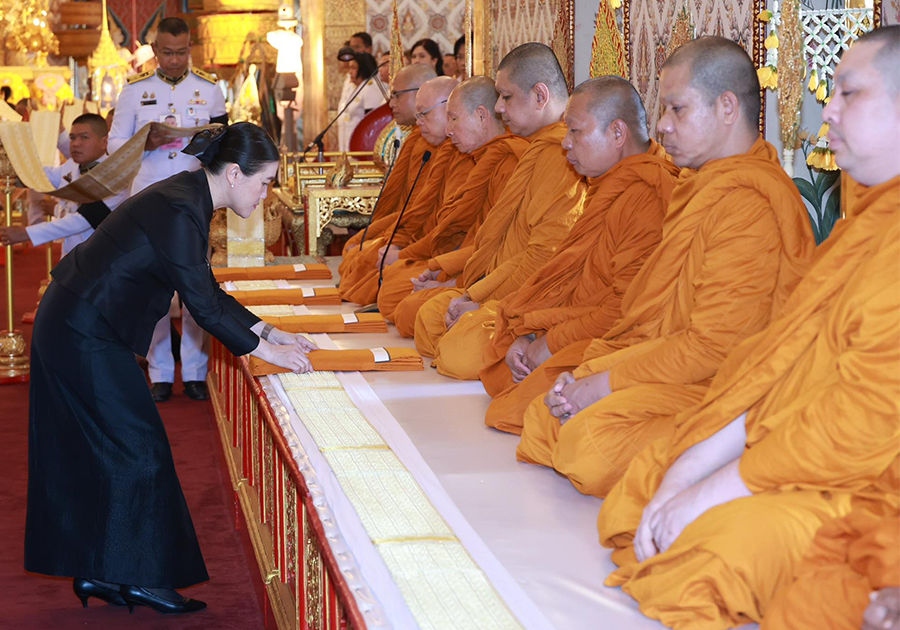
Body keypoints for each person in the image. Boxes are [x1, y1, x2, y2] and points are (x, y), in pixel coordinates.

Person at [593, 26, 899, 629]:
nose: (826, 112)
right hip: (790, 440)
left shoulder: (758, 202)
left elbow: (860, 423)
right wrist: (690, 472)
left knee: (705, 553)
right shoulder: (863, 225)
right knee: (645, 487)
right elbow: (778, 365)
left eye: (848, 94)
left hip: (867, 483)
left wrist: (717, 488)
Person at [25, 122, 317, 615]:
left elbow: (206, 289)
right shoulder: (182, 205)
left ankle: (103, 570)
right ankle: (141, 576)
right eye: (265, 182)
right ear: (232, 174)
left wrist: (268, 333)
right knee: (139, 447)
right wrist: (263, 353)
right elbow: (201, 303)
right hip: (80, 329)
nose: (267, 194)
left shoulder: (189, 198)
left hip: (86, 322)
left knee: (109, 448)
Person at [513, 37, 814, 498]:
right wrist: (597, 375)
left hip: (729, 390)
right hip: (678, 369)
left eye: (677, 110)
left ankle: (732, 460)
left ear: (727, 107)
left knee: (588, 443)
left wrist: (604, 384)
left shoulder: (748, 202)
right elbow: (655, 325)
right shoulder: (703, 186)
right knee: (547, 409)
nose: (661, 126)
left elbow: (715, 350)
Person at [476, 76, 679, 432]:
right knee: (501, 374)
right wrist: (532, 334)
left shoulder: (647, 194)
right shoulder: (608, 186)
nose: (565, 144)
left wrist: (550, 342)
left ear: (618, 133)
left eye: (576, 132)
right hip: (581, 327)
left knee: (520, 414)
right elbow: (568, 280)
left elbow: (626, 310)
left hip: (618, 339)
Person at [411, 42, 586, 366]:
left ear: (540, 95)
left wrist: (476, 297)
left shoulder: (559, 154)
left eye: (506, 97)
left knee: (458, 350)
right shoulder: (532, 149)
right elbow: (498, 239)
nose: (499, 108)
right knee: (428, 318)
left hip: (534, 297)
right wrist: (466, 288)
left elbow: (543, 256)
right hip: (499, 283)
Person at [108, 17, 227, 403]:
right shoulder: (134, 92)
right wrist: (146, 143)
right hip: (149, 198)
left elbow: (224, 144)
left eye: (181, 52)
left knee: (196, 288)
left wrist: (208, 143)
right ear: (155, 50)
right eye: (167, 53)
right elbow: (113, 146)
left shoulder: (208, 90)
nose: (175, 60)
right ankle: (159, 371)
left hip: (194, 199)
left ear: (190, 49)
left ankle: (194, 372)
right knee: (154, 288)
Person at [375, 76, 530, 322]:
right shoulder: (478, 157)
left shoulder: (512, 162)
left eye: (454, 118)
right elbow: (440, 218)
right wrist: (439, 269)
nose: (449, 130)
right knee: (392, 292)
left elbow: (499, 246)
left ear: (481, 115)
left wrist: (447, 277)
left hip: (490, 275)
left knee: (407, 308)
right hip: (463, 262)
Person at [339, 76, 474, 306]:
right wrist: (392, 241)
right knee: (360, 251)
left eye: (424, 114)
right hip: (426, 244)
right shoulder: (427, 145)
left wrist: (403, 253)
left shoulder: (481, 157)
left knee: (392, 289)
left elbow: (456, 231)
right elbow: (414, 210)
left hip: (453, 257)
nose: (418, 121)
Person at [337, 64, 436, 295]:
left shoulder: (449, 149)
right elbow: (403, 206)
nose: (390, 104)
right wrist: (376, 235)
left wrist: (399, 247)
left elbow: (438, 217)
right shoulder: (416, 141)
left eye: (396, 96)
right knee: (356, 248)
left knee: (384, 281)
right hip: (408, 232)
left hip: (429, 244)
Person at [0, 114, 127, 257]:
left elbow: (81, 220)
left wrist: (28, 233)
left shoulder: (114, 176)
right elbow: (38, 176)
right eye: (72, 137)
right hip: (70, 255)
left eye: (84, 137)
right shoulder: (72, 165)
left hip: (101, 258)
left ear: (104, 142)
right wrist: (8, 166)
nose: (75, 143)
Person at [337, 52, 385, 152]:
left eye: (353, 68)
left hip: (363, 147)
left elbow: (371, 123)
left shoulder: (371, 88)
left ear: (363, 69)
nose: (350, 72)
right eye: (349, 68)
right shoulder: (357, 87)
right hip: (350, 146)